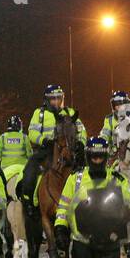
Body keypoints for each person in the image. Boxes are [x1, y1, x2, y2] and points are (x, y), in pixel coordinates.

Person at [23, 84, 88, 214]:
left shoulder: (69, 113)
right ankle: (28, 201)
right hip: (46, 149)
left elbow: (82, 130)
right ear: (47, 100)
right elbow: (32, 132)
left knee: (85, 167)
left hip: (67, 149)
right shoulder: (39, 113)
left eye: (59, 98)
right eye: (53, 99)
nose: (57, 102)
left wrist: (81, 142)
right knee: (30, 170)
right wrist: (44, 140)